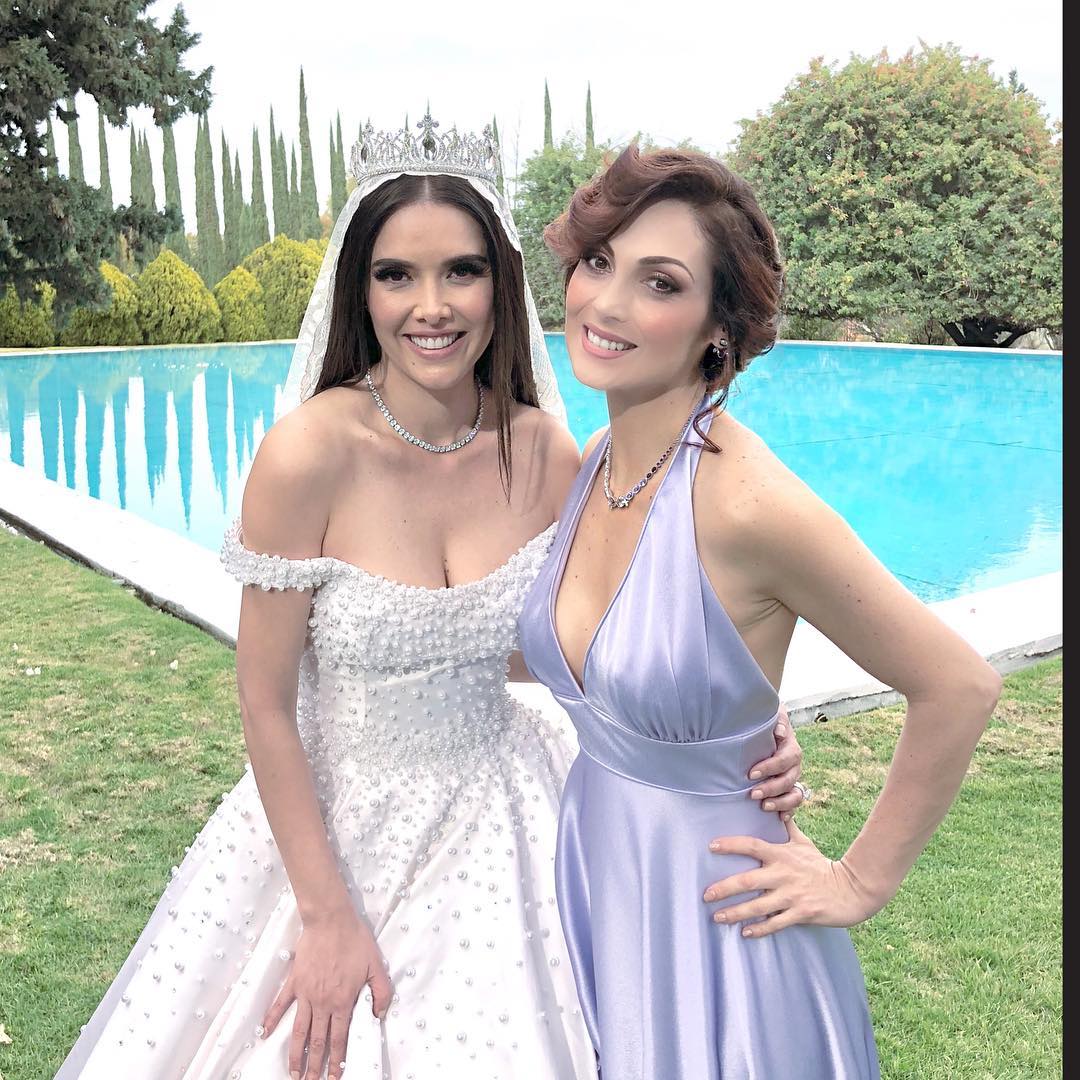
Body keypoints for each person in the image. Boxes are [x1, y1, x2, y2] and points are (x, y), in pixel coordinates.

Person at [55, 119, 805, 1080]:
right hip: (334, 818)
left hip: (510, 813)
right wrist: (326, 915)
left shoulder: (545, 453)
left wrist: (739, 718)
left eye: (462, 271)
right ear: (359, 290)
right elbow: (265, 701)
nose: (431, 306)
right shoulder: (306, 456)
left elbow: (580, 644)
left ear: (500, 282)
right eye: (396, 275)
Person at [519, 145, 1003, 1080]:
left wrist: (857, 881)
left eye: (660, 282)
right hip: (600, 874)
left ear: (718, 326)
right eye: (598, 262)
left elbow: (958, 685)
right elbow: (607, 660)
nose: (606, 303)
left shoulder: (749, 504)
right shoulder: (596, 464)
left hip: (719, 917)